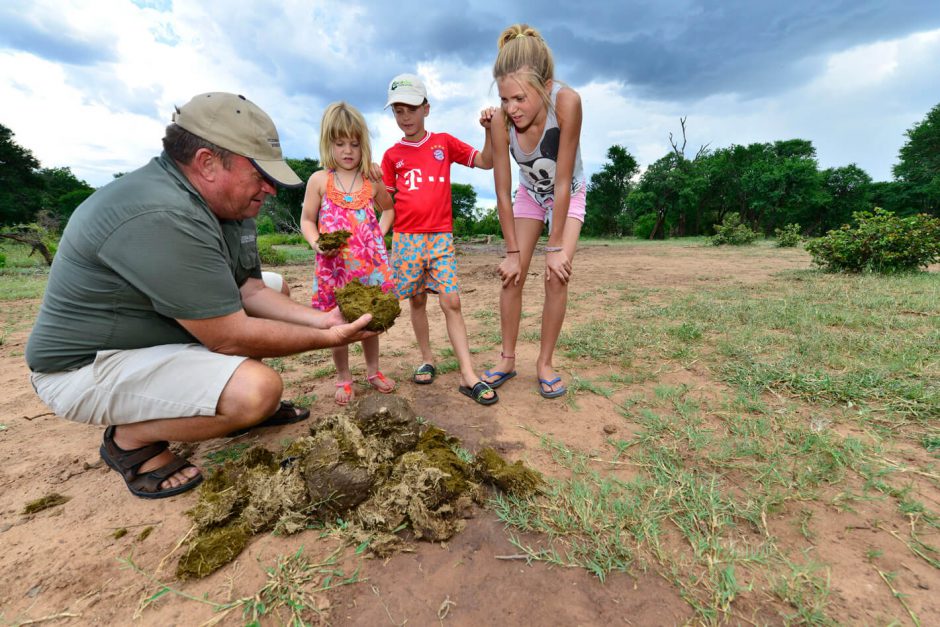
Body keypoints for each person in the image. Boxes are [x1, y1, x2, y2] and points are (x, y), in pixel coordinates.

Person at [25, 92, 377, 499]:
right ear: (208, 162)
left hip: (149, 337)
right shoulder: (164, 213)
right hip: (82, 368)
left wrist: (323, 319)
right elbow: (227, 336)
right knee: (258, 392)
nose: (271, 189)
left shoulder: (228, 205)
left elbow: (251, 289)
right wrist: (330, 338)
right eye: (260, 174)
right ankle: (131, 440)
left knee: (276, 286)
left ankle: (223, 399)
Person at [380, 73, 498, 405]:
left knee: (452, 302)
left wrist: (488, 130)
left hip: (440, 239)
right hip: (406, 240)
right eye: (398, 111)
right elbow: (387, 204)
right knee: (417, 301)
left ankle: (468, 375)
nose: (405, 117)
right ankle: (428, 358)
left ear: (426, 109)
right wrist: (375, 187)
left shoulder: (443, 143)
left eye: (411, 109)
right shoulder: (391, 157)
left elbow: (486, 161)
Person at [483, 24, 586, 399]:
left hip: (567, 192)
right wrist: (512, 252)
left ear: (544, 85)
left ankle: (545, 363)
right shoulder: (500, 120)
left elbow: (562, 182)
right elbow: (501, 190)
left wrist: (555, 246)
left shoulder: (567, 102)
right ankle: (507, 359)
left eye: (520, 99)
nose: (511, 108)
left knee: (557, 275)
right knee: (513, 275)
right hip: (528, 195)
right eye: (504, 98)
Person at [300, 102, 396, 406]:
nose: (348, 150)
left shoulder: (371, 179)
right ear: (328, 143)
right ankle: (343, 377)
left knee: (370, 322)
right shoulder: (319, 181)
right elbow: (306, 220)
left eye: (354, 144)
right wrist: (316, 243)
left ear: (363, 144)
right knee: (336, 324)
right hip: (334, 269)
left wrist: (376, 237)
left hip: (369, 268)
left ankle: (372, 371)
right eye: (339, 143)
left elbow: (389, 210)